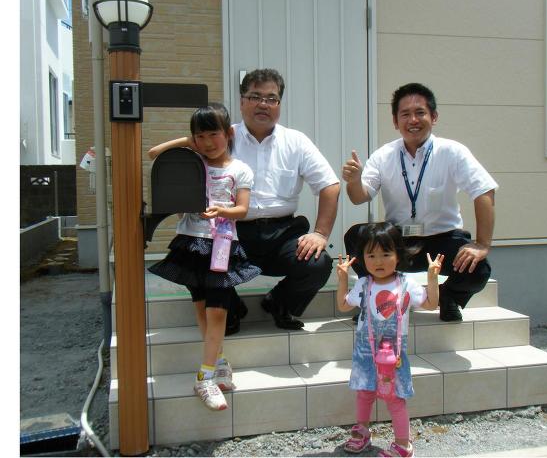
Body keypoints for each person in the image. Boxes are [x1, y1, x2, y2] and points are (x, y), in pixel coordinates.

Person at [342, 82, 497, 322]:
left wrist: (482, 244)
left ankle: (448, 297)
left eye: (420, 112)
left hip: (443, 240)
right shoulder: (383, 155)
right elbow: (359, 196)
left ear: (434, 117)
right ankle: (375, 297)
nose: (413, 120)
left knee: (479, 268)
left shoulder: (452, 152)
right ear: (395, 121)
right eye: (405, 114)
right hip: (399, 241)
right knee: (356, 236)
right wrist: (353, 181)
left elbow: (484, 190)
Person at [147, 103, 261, 411]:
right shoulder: (192, 162)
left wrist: (222, 210)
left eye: (214, 134)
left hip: (222, 246)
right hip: (190, 244)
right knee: (201, 308)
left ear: (228, 134)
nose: (208, 142)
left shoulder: (240, 169)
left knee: (218, 312)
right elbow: (154, 153)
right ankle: (219, 363)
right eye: (201, 136)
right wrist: (188, 142)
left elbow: (242, 209)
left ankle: (205, 377)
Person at [231, 68, 340, 330]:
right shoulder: (224, 137)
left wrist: (320, 234)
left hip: (281, 234)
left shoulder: (296, 141)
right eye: (255, 96)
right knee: (194, 256)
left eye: (272, 98)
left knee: (318, 262)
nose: (263, 104)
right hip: (233, 233)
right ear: (242, 101)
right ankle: (230, 309)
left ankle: (279, 302)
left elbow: (330, 185)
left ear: (279, 104)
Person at [336, 222, 443, 457]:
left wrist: (432, 279)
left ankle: (403, 444)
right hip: (365, 350)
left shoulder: (406, 283)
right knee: (364, 392)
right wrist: (342, 278)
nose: (378, 261)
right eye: (371, 255)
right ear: (362, 258)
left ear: (398, 255)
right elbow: (343, 305)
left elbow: (430, 304)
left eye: (385, 254)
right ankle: (362, 433)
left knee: (395, 398)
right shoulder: (364, 283)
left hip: (393, 354)